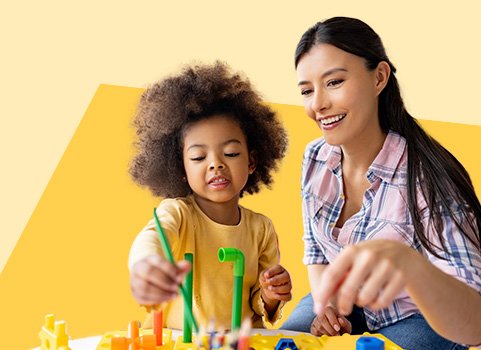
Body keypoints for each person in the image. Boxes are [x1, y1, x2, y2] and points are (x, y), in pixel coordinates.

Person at [280, 17, 481, 349]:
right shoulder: (315, 158)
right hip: (349, 305)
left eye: (334, 82)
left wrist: (410, 266)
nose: (318, 104)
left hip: (420, 317)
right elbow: (316, 252)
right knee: (283, 344)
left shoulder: (428, 179)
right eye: (306, 90)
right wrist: (326, 304)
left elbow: (475, 324)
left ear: (379, 77)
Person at [128, 62, 292, 330]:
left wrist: (272, 295)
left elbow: (259, 303)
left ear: (251, 162)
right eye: (198, 157)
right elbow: (151, 239)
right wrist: (146, 265)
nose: (215, 164)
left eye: (230, 153)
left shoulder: (261, 229)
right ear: (181, 168)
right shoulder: (177, 214)